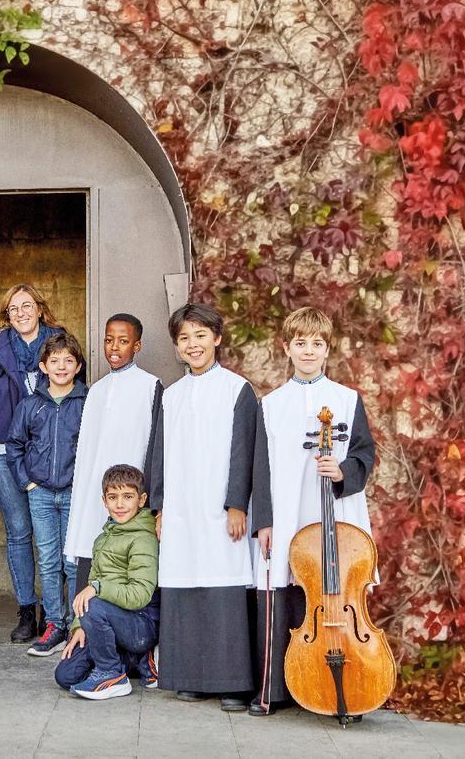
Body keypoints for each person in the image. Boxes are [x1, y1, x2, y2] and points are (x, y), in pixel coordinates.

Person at [249, 306, 376, 716]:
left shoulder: (347, 400)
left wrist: (342, 471)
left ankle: (345, 688)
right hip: (286, 511)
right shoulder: (270, 405)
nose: (308, 351)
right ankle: (275, 690)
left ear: (327, 349)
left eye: (316, 343)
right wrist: (264, 521)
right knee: (280, 588)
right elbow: (260, 469)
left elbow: (364, 454)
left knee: (338, 591)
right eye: (300, 343)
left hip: (334, 512)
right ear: (286, 348)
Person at [145, 303, 272, 712]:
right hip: (181, 509)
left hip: (221, 511)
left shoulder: (237, 390)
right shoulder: (171, 395)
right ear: (177, 346)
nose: (193, 344)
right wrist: (159, 508)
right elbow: (158, 453)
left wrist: (237, 505)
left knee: (224, 588)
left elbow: (244, 451)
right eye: (184, 338)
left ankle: (232, 683)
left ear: (216, 338)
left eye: (200, 335)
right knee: (185, 585)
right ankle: (191, 678)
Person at [0, 283, 84, 642]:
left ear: (39, 309)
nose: (21, 313)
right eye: (14, 308)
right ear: (7, 315)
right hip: (4, 451)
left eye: (27, 305)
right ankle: (27, 611)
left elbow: (77, 401)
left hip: (53, 451)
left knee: (57, 541)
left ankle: (55, 613)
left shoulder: (60, 346)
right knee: (19, 531)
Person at [65, 313, 162, 592]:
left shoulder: (151, 386)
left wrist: (152, 501)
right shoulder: (96, 390)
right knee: (91, 543)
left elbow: (155, 446)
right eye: (109, 340)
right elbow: (87, 450)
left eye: (123, 341)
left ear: (137, 346)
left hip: (129, 492)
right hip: (95, 492)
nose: (114, 347)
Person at [6, 331, 86, 657]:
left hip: (74, 494)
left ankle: (78, 625)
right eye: (55, 361)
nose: (61, 366)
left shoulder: (87, 403)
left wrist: (84, 484)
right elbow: (14, 445)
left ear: (78, 366)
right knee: (49, 561)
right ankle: (54, 623)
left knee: (73, 561)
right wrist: (27, 482)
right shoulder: (31, 405)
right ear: (43, 366)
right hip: (40, 494)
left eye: (68, 361)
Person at [55, 464, 161, 700]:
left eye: (128, 497)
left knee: (92, 604)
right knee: (66, 675)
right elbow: (93, 582)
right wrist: (79, 627)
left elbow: (140, 595)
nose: (120, 504)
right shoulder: (102, 539)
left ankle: (111, 674)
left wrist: (98, 589)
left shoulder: (143, 539)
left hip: (140, 624)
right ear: (104, 501)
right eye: (113, 497)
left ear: (142, 500)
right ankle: (134, 660)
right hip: (107, 620)